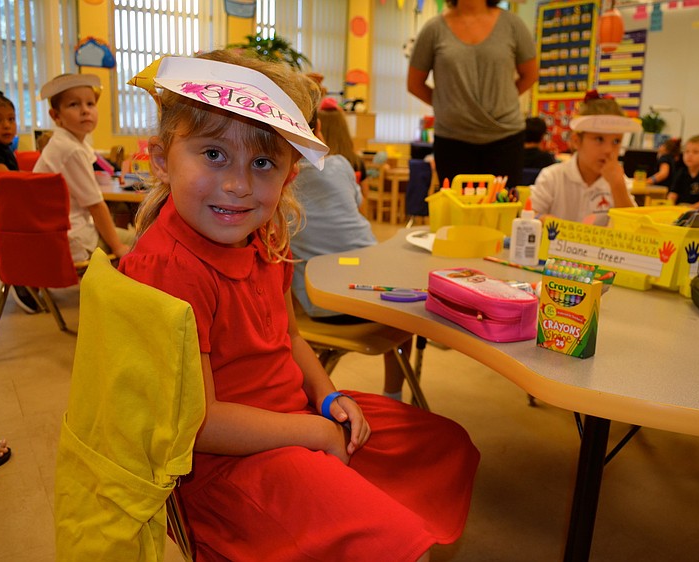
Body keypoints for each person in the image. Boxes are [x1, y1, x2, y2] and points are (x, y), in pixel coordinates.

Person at [120, 50, 479, 561]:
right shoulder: (167, 268)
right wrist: (313, 430)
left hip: (294, 417)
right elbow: (196, 423)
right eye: (214, 154)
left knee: (445, 445)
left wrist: (329, 398)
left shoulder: (264, 235)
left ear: (290, 174)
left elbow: (288, 338)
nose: (238, 184)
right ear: (161, 159)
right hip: (227, 465)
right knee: (395, 544)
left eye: (262, 162)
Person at [290, 102, 412, 401]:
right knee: (406, 323)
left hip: (321, 306)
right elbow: (358, 211)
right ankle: (393, 395)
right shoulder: (341, 164)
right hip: (383, 298)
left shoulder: (273, 181)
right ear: (319, 132)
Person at [407, 0, 538, 188]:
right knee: (457, 213)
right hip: (452, 140)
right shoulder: (433, 29)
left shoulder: (512, 25)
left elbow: (530, 75)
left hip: (505, 138)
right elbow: (414, 84)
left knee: (502, 212)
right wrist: (448, 106)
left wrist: (502, 100)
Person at [33, 74, 133, 262]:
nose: (85, 111)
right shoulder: (70, 150)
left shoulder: (68, 144)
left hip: (56, 233)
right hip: (74, 238)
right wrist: (118, 247)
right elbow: (95, 205)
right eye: (74, 104)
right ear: (56, 116)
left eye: (90, 104)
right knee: (141, 241)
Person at [530, 91, 640, 225]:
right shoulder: (552, 177)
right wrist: (542, 219)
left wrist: (618, 187)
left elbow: (632, 229)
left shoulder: (619, 182)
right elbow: (530, 215)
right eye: (599, 139)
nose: (608, 150)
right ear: (576, 141)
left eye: (616, 141)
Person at [0, 91, 46, 314]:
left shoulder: (5, 148)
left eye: (11, 119)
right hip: (0, 212)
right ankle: (22, 282)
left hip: (9, 209)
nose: (6, 125)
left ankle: (30, 281)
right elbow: (7, 179)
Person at [667, 135, 699, 206]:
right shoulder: (680, 173)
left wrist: (689, 209)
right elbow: (672, 194)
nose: (689, 155)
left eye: (695, 152)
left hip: (697, 212)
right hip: (679, 209)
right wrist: (671, 205)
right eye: (687, 151)